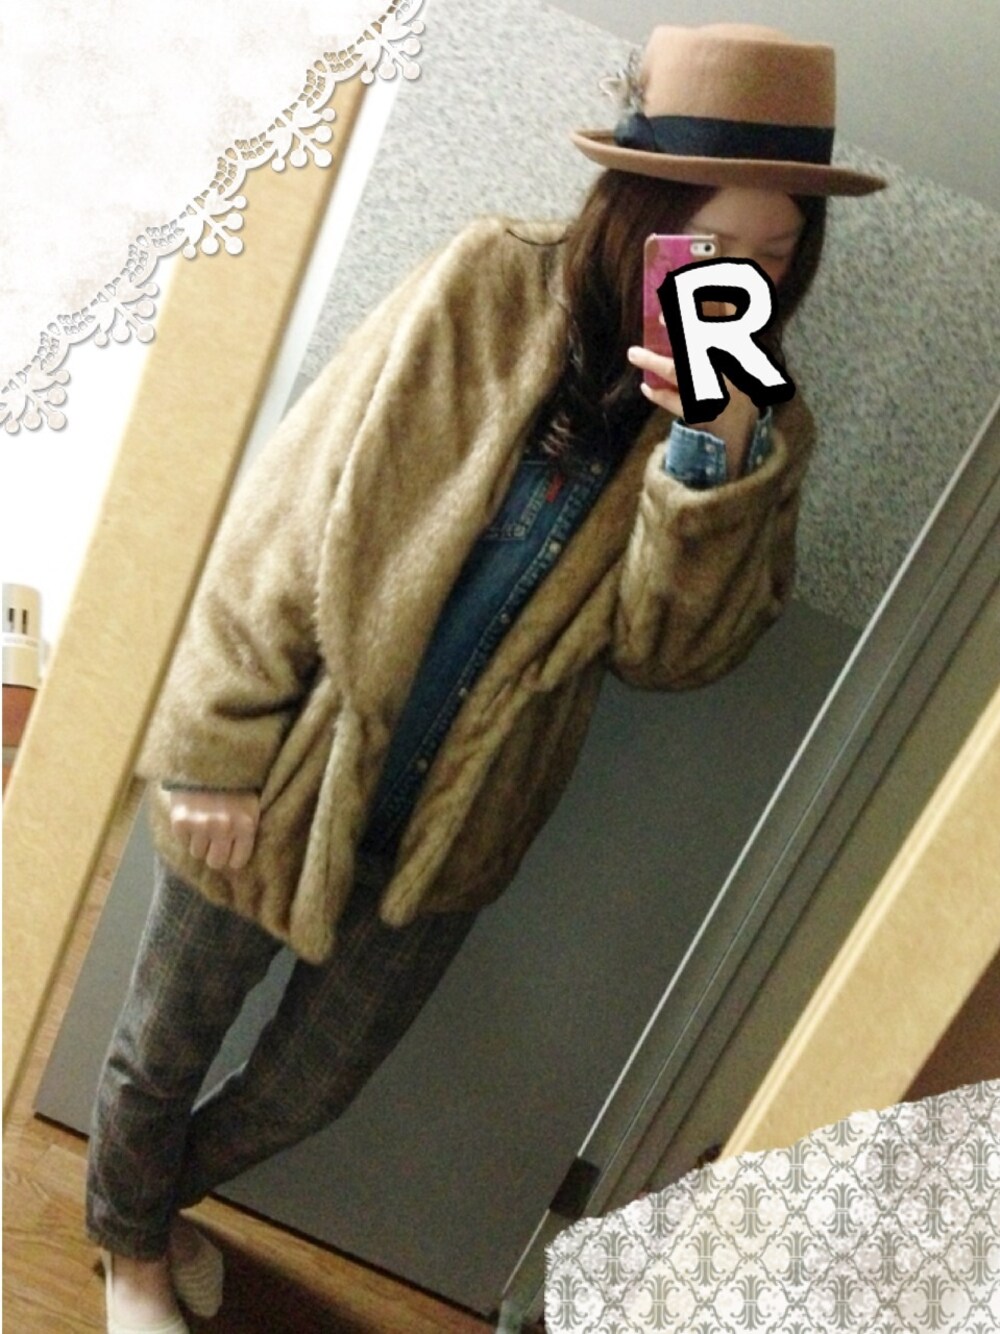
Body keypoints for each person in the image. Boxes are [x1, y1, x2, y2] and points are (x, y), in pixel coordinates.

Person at [85, 21, 885, 1332]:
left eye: (777, 255)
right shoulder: (490, 283)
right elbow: (292, 513)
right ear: (643, 214)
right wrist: (211, 749)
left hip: (457, 826)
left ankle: (140, 1209)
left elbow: (669, 654)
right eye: (711, 243)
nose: (737, 278)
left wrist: (709, 460)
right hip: (286, 762)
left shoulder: (762, 426)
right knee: (160, 1044)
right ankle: (131, 1259)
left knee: (308, 1089)